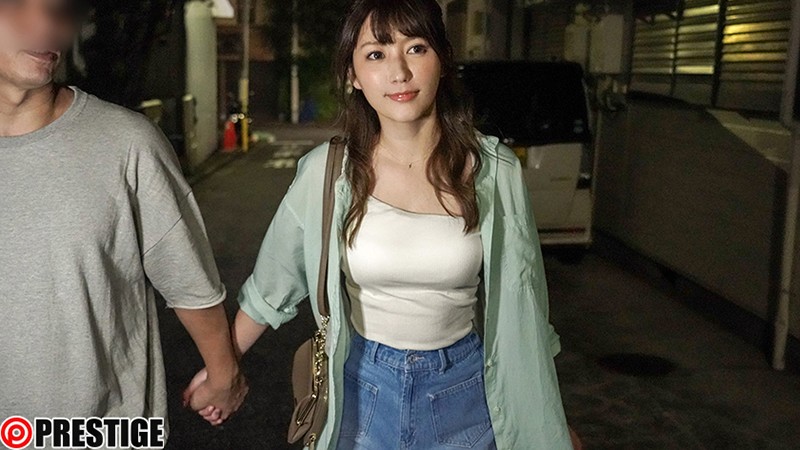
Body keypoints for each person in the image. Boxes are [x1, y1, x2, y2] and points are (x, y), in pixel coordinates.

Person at [189, 0, 581, 448]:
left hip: (467, 394)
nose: (399, 72)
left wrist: (548, 418)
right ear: (354, 75)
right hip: (360, 391)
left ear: (442, 59)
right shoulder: (327, 173)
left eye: (416, 48)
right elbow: (272, 283)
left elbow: (525, 302)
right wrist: (222, 370)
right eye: (376, 54)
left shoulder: (494, 170)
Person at [0, 0, 247, 439]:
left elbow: (190, 282)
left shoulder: (126, 143)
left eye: (56, 8)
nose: (45, 23)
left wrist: (223, 375)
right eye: (17, 5)